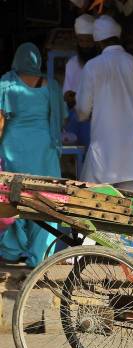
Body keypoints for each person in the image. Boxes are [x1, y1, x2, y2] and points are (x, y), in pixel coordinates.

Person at [0, 43, 65, 267]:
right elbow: (61, 116)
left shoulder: (7, 83)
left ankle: (11, 250)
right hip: (43, 151)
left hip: (13, 148)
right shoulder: (52, 86)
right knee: (45, 198)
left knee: (13, 197)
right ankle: (41, 255)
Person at [76, 15, 133, 192]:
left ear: (98, 42)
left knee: (97, 207)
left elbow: (82, 111)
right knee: (130, 212)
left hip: (104, 153)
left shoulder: (92, 66)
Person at [63, 14, 96, 149]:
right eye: (82, 41)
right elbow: (66, 93)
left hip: (98, 117)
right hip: (77, 116)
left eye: (89, 41)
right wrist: (69, 97)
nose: (85, 45)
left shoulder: (101, 64)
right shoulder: (71, 64)